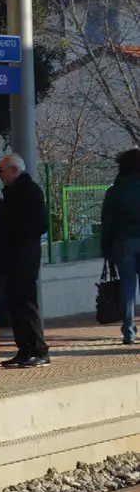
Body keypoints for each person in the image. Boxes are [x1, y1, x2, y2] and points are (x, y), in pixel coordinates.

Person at [0, 153, 50, 368]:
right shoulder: (12, 192)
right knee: (15, 304)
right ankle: (24, 349)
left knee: (26, 303)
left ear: (14, 170)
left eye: (1, 170)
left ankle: (39, 348)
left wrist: (15, 231)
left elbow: (40, 224)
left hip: (24, 257)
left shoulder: (28, 191)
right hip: (13, 256)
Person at [100, 148, 140, 346]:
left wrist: (106, 248)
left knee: (127, 289)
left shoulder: (114, 191)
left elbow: (107, 222)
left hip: (124, 243)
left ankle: (129, 331)